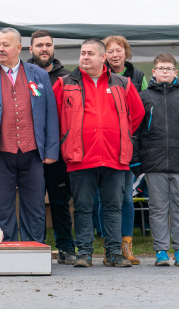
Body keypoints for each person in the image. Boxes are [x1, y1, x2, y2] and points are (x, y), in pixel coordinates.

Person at [53, 39, 145, 268]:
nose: (85, 57)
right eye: (82, 53)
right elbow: (52, 117)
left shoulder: (123, 83)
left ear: (103, 57)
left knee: (113, 206)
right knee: (83, 207)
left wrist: (120, 134)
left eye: (90, 53)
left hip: (115, 157)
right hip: (80, 157)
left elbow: (137, 113)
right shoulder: (64, 83)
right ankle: (84, 253)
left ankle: (113, 253)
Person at [0, 27, 58, 244]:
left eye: (5, 45)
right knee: (0, 206)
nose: (0, 49)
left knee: (35, 206)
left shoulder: (39, 74)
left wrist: (50, 149)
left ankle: (34, 248)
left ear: (18, 48)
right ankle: (5, 249)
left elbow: (50, 114)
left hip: (32, 151)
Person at [27, 30, 76, 264]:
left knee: (59, 201)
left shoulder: (68, 77)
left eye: (48, 45)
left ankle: (66, 247)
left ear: (53, 48)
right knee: (33, 201)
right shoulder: (20, 75)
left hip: (58, 152)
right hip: (29, 151)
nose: (44, 49)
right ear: (30, 49)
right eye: (39, 45)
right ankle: (35, 246)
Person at [99, 35, 147, 264]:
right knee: (104, 198)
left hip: (128, 147)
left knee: (126, 196)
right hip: (102, 147)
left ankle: (126, 246)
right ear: (104, 55)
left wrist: (129, 137)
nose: (115, 55)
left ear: (126, 53)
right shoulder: (97, 75)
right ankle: (109, 245)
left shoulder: (138, 77)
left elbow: (143, 110)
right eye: (110, 51)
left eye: (119, 50)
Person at [132, 53, 179, 266]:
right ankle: (161, 251)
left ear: (175, 72)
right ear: (154, 72)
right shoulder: (143, 97)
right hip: (154, 161)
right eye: (161, 68)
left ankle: (178, 251)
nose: (165, 71)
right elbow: (136, 131)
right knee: (158, 207)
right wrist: (135, 160)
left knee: (178, 208)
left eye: (169, 68)